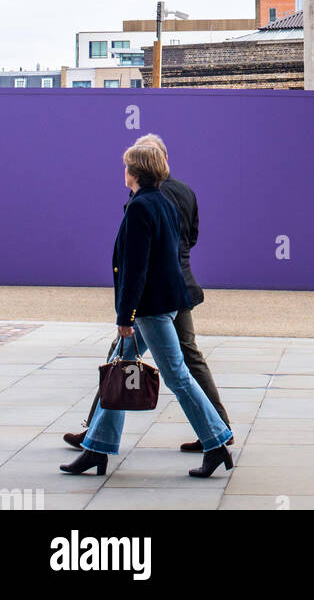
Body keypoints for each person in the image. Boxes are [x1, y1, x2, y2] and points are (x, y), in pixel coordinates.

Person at [59, 144, 233, 479]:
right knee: (120, 369)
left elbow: (135, 267)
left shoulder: (141, 208)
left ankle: (216, 443)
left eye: (126, 166)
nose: (122, 171)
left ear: (135, 172)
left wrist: (126, 316)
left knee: (177, 376)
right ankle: (97, 447)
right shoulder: (163, 202)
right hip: (164, 302)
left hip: (149, 308)